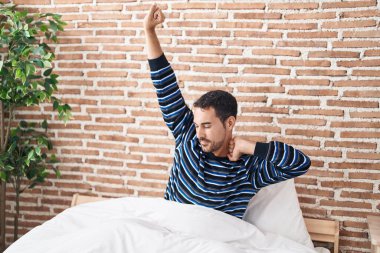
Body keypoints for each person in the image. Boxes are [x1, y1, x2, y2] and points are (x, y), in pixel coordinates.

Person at [143, 4, 311, 219]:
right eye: (197, 125)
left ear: (229, 123)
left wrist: (249, 146)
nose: (199, 134)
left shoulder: (248, 168)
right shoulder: (186, 134)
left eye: (206, 125)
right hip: (170, 234)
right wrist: (149, 31)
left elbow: (299, 164)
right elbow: (164, 83)